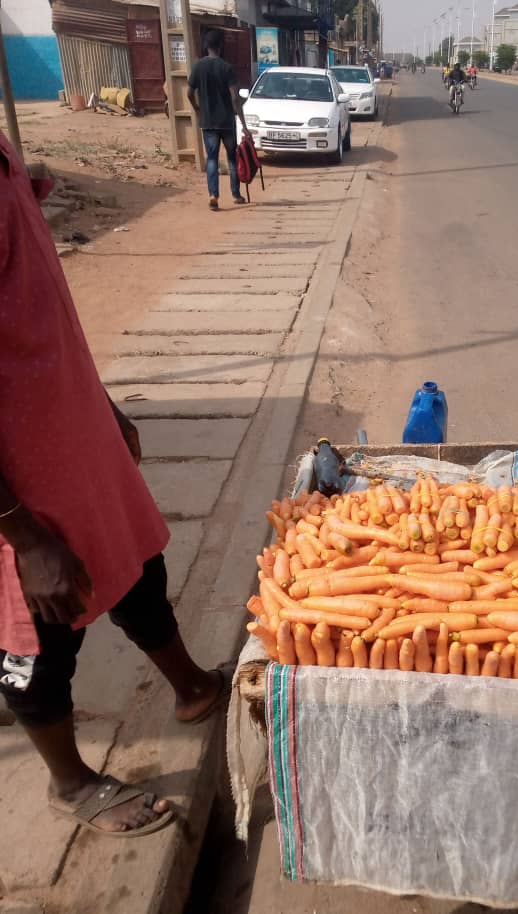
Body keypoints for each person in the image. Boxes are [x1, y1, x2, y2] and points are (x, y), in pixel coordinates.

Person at [0, 130, 229, 837]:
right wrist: (24, 532)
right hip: (18, 483)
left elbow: (38, 306)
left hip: (70, 432)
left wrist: (97, 404)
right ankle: (70, 784)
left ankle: (190, 686)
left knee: (133, 565)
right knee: (40, 636)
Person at [187, 29, 250, 211]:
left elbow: (189, 93)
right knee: (231, 158)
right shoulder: (226, 67)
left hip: (208, 122)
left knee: (212, 159)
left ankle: (213, 195)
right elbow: (235, 98)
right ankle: (236, 194)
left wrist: (197, 108)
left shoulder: (198, 67)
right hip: (227, 122)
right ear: (220, 47)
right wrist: (243, 125)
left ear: (206, 46)